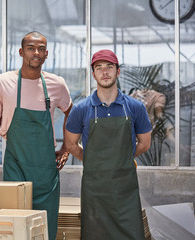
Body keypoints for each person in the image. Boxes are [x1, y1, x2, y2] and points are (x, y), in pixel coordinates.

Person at [0, 31, 72, 240]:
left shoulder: (57, 84)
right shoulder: (1, 83)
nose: (36, 53)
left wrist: (66, 148)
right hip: (15, 168)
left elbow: (72, 114)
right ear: (21, 52)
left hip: (46, 172)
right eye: (31, 48)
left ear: (46, 54)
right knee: (16, 230)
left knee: (44, 231)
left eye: (41, 49)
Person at [65, 49, 152, 239]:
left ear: (117, 72)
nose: (105, 72)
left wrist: (121, 157)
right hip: (95, 190)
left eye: (109, 67)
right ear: (93, 73)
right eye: (99, 67)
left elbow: (145, 143)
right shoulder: (81, 109)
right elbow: (71, 144)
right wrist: (92, 159)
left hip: (125, 189)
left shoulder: (135, 107)